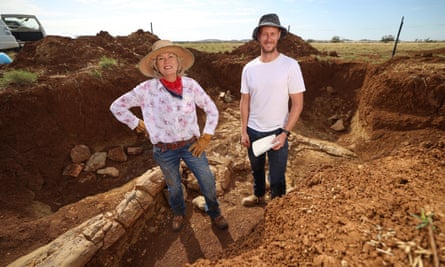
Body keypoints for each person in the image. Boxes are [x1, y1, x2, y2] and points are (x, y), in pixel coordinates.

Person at [110, 40, 228, 231]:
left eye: (170, 56)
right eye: (160, 58)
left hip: (192, 145)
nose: (166, 61)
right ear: (155, 65)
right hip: (164, 150)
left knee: (207, 180)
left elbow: (211, 109)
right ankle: (179, 213)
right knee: (173, 187)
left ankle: (214, 212)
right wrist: (135, 123)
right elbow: (116, 106)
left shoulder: (191, 85)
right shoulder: (146, 89)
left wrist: (206, 136)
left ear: (179, 61)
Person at [240, 13, 306, 206]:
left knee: (277, 176)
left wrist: (285, 132)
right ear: (259, 37)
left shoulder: (290, 66)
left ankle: (277, 209)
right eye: (265, 34)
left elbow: (298, 103)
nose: (268, 38)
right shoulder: (249, 68)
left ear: (278, 36)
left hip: (278, 131)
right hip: (253, 130)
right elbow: (245, 101)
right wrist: (243, 130)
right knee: (257, 169)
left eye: (272, 33)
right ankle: (258, 195)